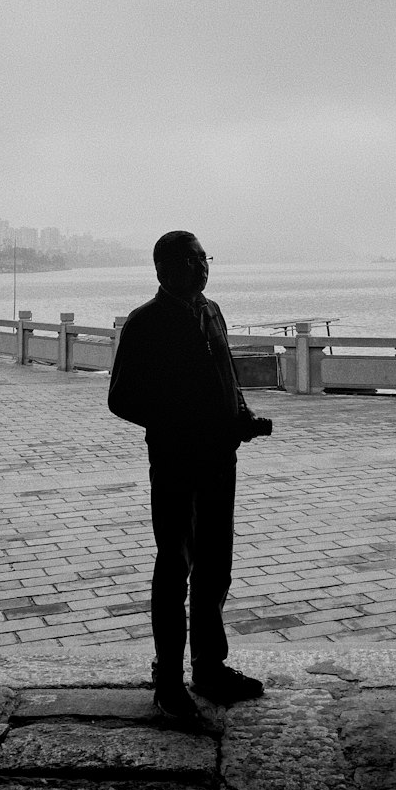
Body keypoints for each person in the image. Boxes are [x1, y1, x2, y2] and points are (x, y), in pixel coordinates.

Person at [107, 230, 272, 719]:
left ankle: (210, 666)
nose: (203, 268)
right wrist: (184, 420)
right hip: (176, 458)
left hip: (222, 457)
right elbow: (121, 398)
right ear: (165, 268)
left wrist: (241, 416)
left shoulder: (212, 311)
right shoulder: (146, 322)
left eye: (205, 259)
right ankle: (169, 677)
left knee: (216, 561)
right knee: (174, 564)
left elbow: (227, 377)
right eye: (193, 260)